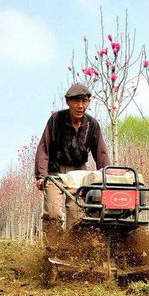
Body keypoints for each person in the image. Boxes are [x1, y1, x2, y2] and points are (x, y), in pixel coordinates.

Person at [34, 83, 111, 248]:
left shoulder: (92, 125)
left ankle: (72, 250)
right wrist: (41, 175)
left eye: (85, 101)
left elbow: (101, 154)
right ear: (68, 102)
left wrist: (107, 179)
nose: (81, 106)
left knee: (77, 215)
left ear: (89, 103)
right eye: (76, 101)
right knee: (53, 213)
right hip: (55, 173)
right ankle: (51, 249)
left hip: (78, 174)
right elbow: (44, 148)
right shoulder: (56, 120)